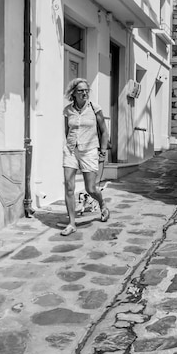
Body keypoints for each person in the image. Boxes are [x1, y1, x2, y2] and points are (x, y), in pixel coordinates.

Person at [61, 78, 110, 236]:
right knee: (69, 186)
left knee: (90, 188)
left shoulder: (95, 108)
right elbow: (66, 131)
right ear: (73, 93)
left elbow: (104, 130)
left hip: (89, 150)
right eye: (80, 90)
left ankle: (102, 204)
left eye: (86, 90)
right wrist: (71, 145)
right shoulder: (68, 110)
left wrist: (102, 149)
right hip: (71, 150)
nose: (84, 93)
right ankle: (72, 223)